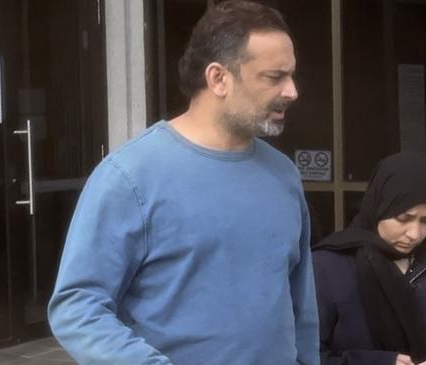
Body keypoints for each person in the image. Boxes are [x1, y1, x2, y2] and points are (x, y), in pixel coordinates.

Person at [48, 1, 319, 364]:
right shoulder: (129, 177)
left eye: (291, 75)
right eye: (274, 77)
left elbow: (302, 304)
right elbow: (77, 306)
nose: (292, 91)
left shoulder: (283, 174)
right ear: (218, 78)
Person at [312, 152, 426, 365]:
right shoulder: (329, 267)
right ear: (379, 207)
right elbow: (308, 356)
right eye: (403, 219)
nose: (414, 233)